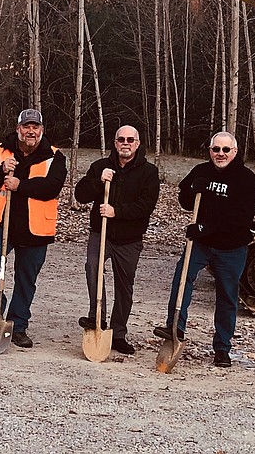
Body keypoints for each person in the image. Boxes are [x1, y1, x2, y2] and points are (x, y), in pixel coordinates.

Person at [155, 131, 255, 367]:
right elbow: (185, 200)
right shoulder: (201, 171)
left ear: (235, 152)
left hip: (231, 247)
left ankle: (222, 347)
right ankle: (175, 327)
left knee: (227, 297)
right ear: (210, 151)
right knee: (183, 278)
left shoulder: (246, 179)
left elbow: (241, 218)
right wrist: (192, 189)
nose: (220, 154)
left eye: (225, 150)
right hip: (200, 245)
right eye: (215, 149)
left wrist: (205, 227)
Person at [0, 108, 67, 348]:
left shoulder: (54, 157)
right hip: (1, 221)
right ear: (18, 129)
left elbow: (51, 187)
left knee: (27, 278)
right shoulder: (0, 151)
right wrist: (1, 169)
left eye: (35, 127)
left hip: (35, 228)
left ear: (42, 130)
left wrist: (20, 185)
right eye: (26, 126)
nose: (31, 131)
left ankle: (18, 324)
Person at [73, 124, 159, 355]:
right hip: (101, 233)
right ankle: (97, 318)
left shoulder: (148, 172)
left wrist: (116, 211)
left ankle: (118, 333)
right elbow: (80, 195)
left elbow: (146, 205)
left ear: (137, 144)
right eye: (121, 139)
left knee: (124, 286)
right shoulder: (101, 166)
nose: (126, 143)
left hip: (129, 240)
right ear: (115, 142)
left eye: (131, 140)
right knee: (93, 267)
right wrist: (98, 182)